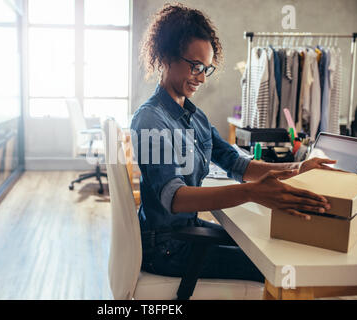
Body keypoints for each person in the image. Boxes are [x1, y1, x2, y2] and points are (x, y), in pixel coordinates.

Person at [130, 3, 336, 283]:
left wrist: (301, 168)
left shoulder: (194, 116)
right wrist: (252, 193)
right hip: (166, 247)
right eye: (195, 66)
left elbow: (238, 163)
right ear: (166, 56)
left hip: (185, 232)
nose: (201, 77)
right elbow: (175, 199)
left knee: (267, 246)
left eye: (207, 69)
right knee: (274, 267)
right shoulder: (151, 120)